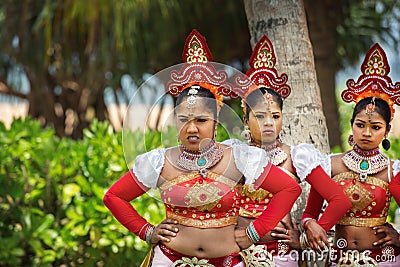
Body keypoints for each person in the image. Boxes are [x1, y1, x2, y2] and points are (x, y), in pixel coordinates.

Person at [103, 29, 301, 267]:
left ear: (216, 119)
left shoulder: (239, 157)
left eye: (201, 120)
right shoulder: (159, 162)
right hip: (169, 260)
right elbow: (114, 196)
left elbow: (289, 189)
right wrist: (146, 231)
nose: (192, 128)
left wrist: (254, 233)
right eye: (184, 119)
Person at [229, 35, 351, 266]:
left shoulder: (297, 157)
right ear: (246, 121)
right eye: (260, 116)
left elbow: (339, 200)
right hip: (236, 253)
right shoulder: (233, 154)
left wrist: (307, 232)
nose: (268, 123)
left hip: (282, 255)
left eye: (275, 116)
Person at [299, 43, 400, 266]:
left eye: (375, 127)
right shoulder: (329, 165)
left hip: (384, 260)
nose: (366, 133)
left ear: (387, 131)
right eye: (360, 124)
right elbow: (309, 212)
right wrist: (309, 225)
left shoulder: (393, 170)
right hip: (339, 259)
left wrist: (399, 238)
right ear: (352, 124)